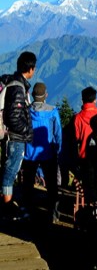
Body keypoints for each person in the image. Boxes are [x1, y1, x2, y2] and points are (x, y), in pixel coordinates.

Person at [0, 51, 36, 220]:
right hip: (15, 138)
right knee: (10, 172)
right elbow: (14, 116)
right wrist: (25, 131)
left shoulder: (15, 83)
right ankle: (6, 208)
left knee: (9, 171)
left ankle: (7, 205)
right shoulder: (18, 88)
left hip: (11, 137)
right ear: (30, 68)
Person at [22, 82, 62, 223]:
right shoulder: (52, 111)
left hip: (29, 153)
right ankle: (54, 213)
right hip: (48, 152)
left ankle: (27, 210)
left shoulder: (26, 111)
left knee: (27, 184)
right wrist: (58, 150)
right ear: (46, 95)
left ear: (33, 95)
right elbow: (58, 133)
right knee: (52, 186)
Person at [74, 86, 97, 162]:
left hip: (85, 156)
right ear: (95, 100)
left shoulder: (77, 118)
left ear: (82, 100)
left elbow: (76, 137)